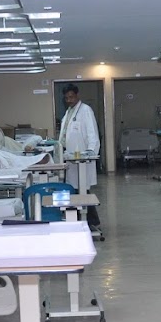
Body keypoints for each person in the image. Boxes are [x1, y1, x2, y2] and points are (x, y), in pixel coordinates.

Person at [58, 84, 102, 230]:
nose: (69, 100)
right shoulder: (69, 112)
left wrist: (90, 152)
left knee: (82, 189)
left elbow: (92, 133)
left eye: (71, 97)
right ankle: (86, 221)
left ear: (77, 96)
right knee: (77, 189)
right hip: (71, 157)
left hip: (82, 158)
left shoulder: (85, 110)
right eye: (66, 98)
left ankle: (91, 221)